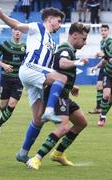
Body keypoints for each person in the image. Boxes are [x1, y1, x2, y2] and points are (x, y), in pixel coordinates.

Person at [0, 3, 68, 163]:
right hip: (29, 68)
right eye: (58, 21)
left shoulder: (52, 42)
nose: (59, 25)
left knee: (37, 120)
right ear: (51, 19)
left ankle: (22, 153)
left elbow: (50, 67)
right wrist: (2, 15)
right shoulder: (38, 27)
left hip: (36, 76)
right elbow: (17, 25)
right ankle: (50, 111)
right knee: (62, 78)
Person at [27, 22, 90, 170]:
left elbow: (58, 70)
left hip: (64, 94)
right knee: (63, 128)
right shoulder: (65, 49)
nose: (85, 42)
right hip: (56, 95)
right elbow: (62, 63)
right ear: (74, 35)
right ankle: (36, 158)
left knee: (81, 122)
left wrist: (71, 86)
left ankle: (58, 153)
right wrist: (77, 62)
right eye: (83, 39)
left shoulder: (69, 50)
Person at [0, 29, 26, 134]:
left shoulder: (25, 47)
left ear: (22, 33)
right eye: (15, 30)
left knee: (12, 104)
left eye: (19, 30)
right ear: (12, 31)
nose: (17, 32)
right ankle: (3, 116)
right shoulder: (5, 45)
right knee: (3, 105)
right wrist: (4, 65)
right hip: (6, 78)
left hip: (19, 79)